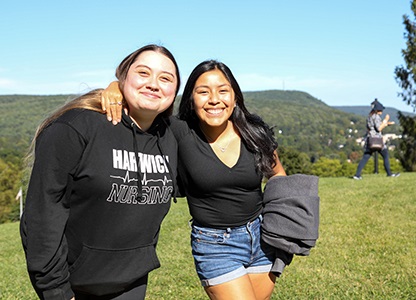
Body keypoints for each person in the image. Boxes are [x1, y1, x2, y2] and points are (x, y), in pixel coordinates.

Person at [102, 60, 287, 300]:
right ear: (191, 97)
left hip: (262, 239)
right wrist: (115, 88)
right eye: (203, 92)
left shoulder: (253, 131)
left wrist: (282, 224)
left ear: (235, 96)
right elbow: (143, 106)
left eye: (223, 90)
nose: (214, 99)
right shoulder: (178, 130)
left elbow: (278, 175)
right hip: (216, 246)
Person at [20, 44, 181, 300]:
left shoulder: (171, 136)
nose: (153, 84)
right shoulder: (75, 128)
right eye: (143, 73)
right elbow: (42, 215)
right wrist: (56, 291)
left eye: (165, 78)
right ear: (123, 78)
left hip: (132, 282)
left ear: (175, 90)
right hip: (74, 286)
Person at [353, 99, 400, 179]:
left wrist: (387, 124)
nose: (382, 111)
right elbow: (379, 128)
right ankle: (389, 173)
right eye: (381, 109)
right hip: (377, 140)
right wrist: (385, 120)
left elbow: (374, 127)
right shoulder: (376, 117)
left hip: (370, 139)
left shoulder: (370, 117)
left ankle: (357, 175)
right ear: (378, 110)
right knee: (385, 155)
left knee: (365, 157)